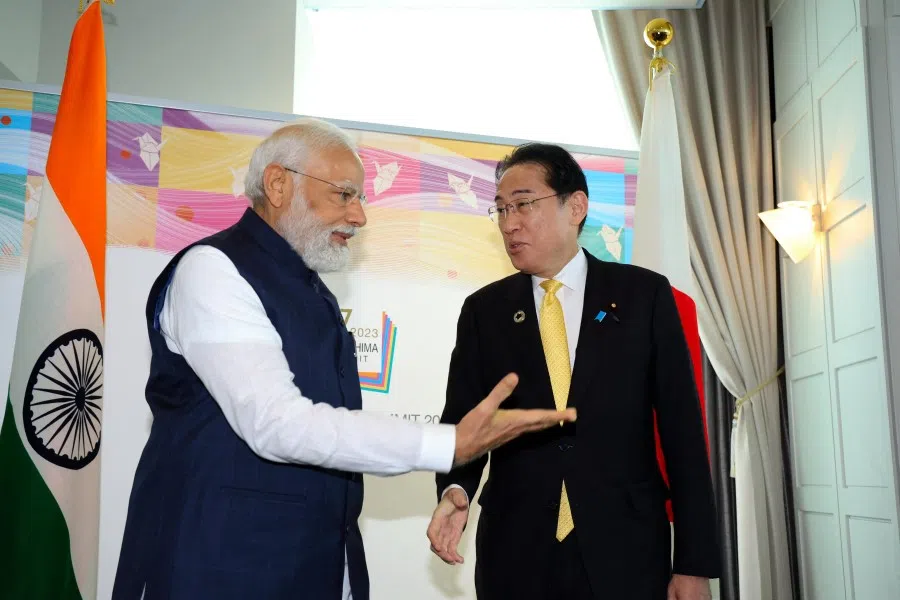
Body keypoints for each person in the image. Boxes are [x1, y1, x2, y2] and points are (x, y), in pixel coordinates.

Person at [111, 120, 575, 600]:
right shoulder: (213, 271)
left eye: (361, 198)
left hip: (309, 568)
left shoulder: (313, 292)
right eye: (344, 194)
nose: (359, 216)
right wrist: (446, 444)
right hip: (214, 566)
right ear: (277, 184)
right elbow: (276, 424)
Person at [428, 143, 719, 600]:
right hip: (516, 554)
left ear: (576, 206)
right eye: (501, 209)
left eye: (524, 204)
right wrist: (456, 490)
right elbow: (464, 423)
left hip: (627, 551)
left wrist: (694, 564)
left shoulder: (645, 298)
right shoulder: (485, 311)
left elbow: (684, 437)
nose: (509, 223)